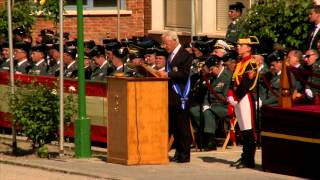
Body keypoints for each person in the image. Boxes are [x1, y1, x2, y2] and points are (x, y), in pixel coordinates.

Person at [158, 31, 193, 163]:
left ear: (174, 41)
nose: (164, 46)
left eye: (165, 43)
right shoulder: (170, 54)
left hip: (181, 95)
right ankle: (178, 152)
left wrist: (168, 74)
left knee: (182, 127)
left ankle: (184, 155)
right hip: (170, 96)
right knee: (175, 127)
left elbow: (184, 74)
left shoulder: (185, 55)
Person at [229, 36, 259, 169]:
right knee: (242, 128)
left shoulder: (252, 63)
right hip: (237, 98)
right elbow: (233, 80)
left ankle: (249, 160)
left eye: (241, 45)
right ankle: (244, 156)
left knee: (248, 130)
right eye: (238, 45)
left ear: (249, 48)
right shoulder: (239, 63)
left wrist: (235, 97)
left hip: (245, 97)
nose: (238, 47)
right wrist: (230, 94)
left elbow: (247, 83)